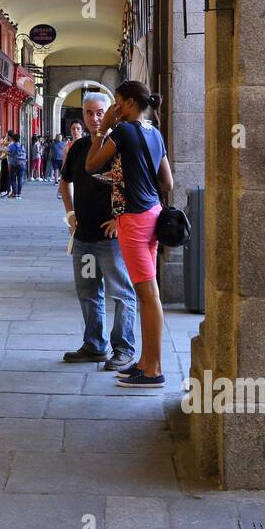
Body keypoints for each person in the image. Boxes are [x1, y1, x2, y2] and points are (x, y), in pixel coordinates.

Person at [84, 80, 174, 388]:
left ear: (132, 103)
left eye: (118, 103)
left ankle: (154, 371)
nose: (115, 109)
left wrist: (102, 129)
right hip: (153, 215)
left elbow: (91, 163)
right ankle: (147, 362)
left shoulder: (122, 131)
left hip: (134, 220)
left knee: (147, 295)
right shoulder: (155, 133)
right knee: (147, 294)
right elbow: (167, 183)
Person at [59, 93, 137, 369]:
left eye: (100, 112)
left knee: (120, 292)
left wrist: (120, 219)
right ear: (83, 115)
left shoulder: (120, 144)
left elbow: (135, 185)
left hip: (111, 239)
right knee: (88, 291)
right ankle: (94, 344)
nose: (95, 118)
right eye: (90, 113)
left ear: (111, 113)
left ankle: (124, 348)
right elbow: (64, 182)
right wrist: (70, 214)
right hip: (84, 238)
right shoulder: (79, 148)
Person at [5, 132, 27, 198]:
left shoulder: (12, 146)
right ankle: (19, 194)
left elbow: (6, 151)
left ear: (13, 139)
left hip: (14, 164)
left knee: (13, 179)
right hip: (22, 164)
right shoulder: (22, 146)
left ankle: (15, 193)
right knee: (20, 179)